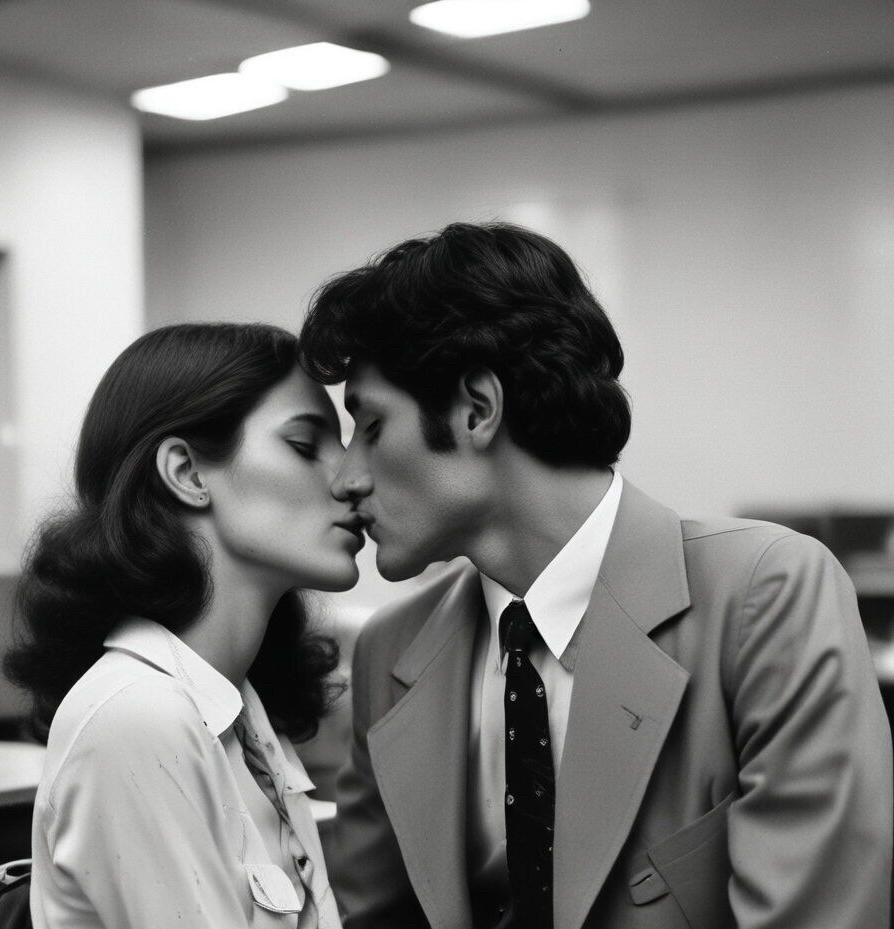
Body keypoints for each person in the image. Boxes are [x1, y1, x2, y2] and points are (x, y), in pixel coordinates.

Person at [297, 223, 893, 929]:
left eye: (370, 427)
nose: (346, 478)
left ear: (476, 410)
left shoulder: (765, 594)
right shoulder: (392, 649)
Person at [5, 323, 364, 928]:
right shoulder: (138, 716)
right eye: (305, 445)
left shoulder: (239, 713)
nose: (352, 478)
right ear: (188, 473)